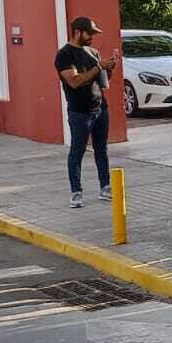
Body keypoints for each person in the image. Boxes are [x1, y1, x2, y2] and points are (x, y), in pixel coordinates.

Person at [55, 16, 118, 208]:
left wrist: (110, 67)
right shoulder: (64, 55)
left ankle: (105, 187)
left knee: (102, 150)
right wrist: (99, 66)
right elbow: (74, 82)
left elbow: (104, 82)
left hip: (101, 108)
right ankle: (76, 192)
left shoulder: (94, 52)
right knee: (77, 151)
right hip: (80, 112)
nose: (92, 37)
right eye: (90, 33)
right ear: (77, 32)